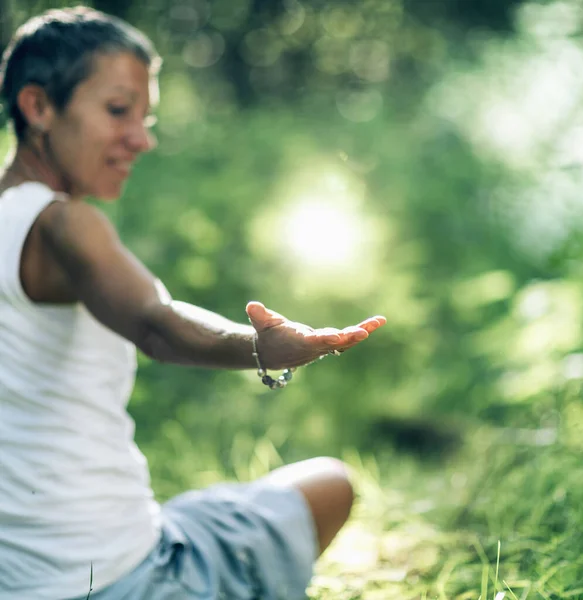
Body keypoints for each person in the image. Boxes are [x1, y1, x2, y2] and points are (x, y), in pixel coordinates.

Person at [0, 7, 386, 600]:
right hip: (126, 579)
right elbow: (157, 322)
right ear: (39, 107)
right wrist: (261, 346)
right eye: (117, 110)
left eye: (145, 116)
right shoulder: (63, 224)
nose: (141, 137)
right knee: (330, 482)